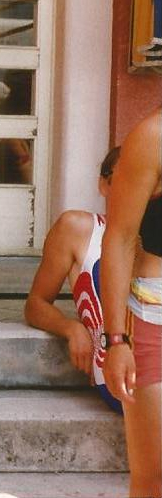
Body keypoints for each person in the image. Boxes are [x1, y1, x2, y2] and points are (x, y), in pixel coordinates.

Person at [25, 147, 122, 413]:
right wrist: (71, 328)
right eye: (126, 176)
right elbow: (36, 303)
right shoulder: (78, 228)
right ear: (104, 183)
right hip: (121, 370)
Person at [100, 112, 161, 497]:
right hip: (156, 315)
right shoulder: (153, 136)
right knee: (154, 474)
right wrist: (116, 340)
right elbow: (119, 239)